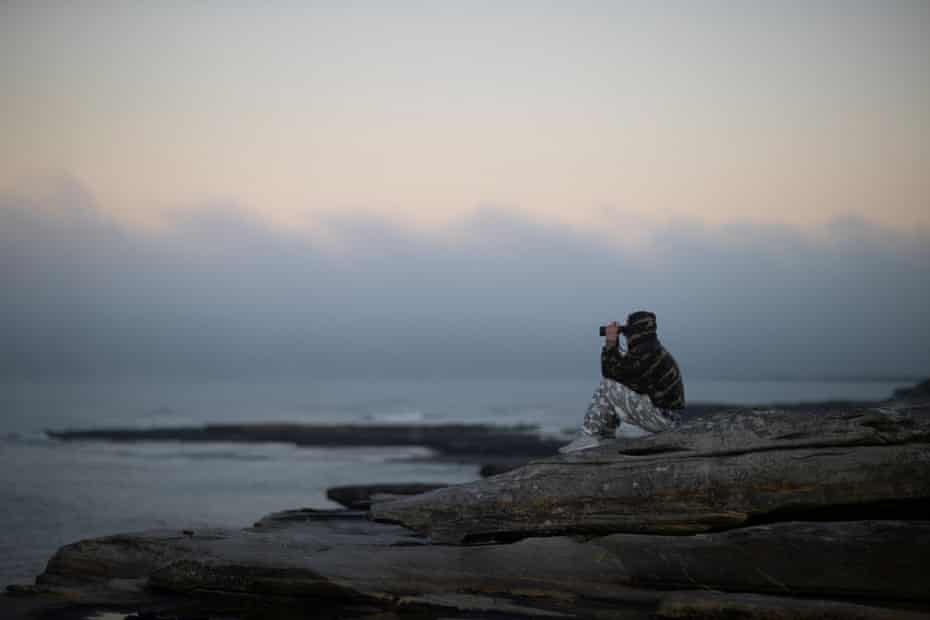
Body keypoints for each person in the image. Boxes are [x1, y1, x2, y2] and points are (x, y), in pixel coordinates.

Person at [560, 310, 685, 453]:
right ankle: (604, 436)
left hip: (663, 419)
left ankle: (589, 436)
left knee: (608, 386)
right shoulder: (651, 350)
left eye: (628, 328)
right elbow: (623, 372)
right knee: (613, 388)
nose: (625, 333)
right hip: (667, 418)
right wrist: (613, 345)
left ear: (636, 331)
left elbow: (612, 373)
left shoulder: (648, 352)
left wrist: (611, 343)